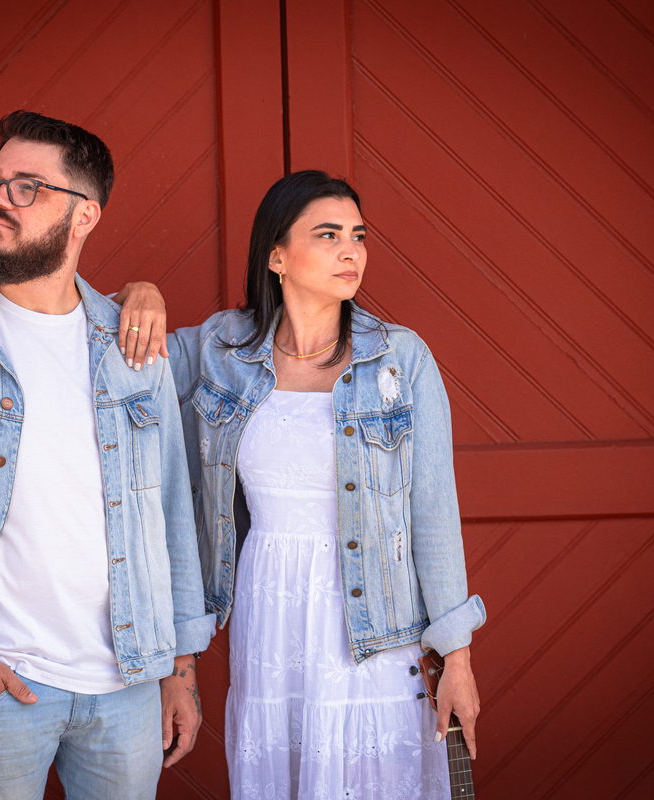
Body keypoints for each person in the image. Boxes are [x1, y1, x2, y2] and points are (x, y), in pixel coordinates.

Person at [0, 110, 215, 800]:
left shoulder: (132, 347)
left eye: (28, 186)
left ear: (84, 215)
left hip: (128, 686)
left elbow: (173, 511)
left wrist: (180, 667)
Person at [115, 170, 486, 799]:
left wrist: (457, 656)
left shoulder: (400, 357)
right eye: (329, 234)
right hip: (272, 614)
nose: (352, 251)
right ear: (277, 256)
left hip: (374, 629)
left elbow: (434, 513)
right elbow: (109, 340)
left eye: (359, 235)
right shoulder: (219, 350)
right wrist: (139, 290)